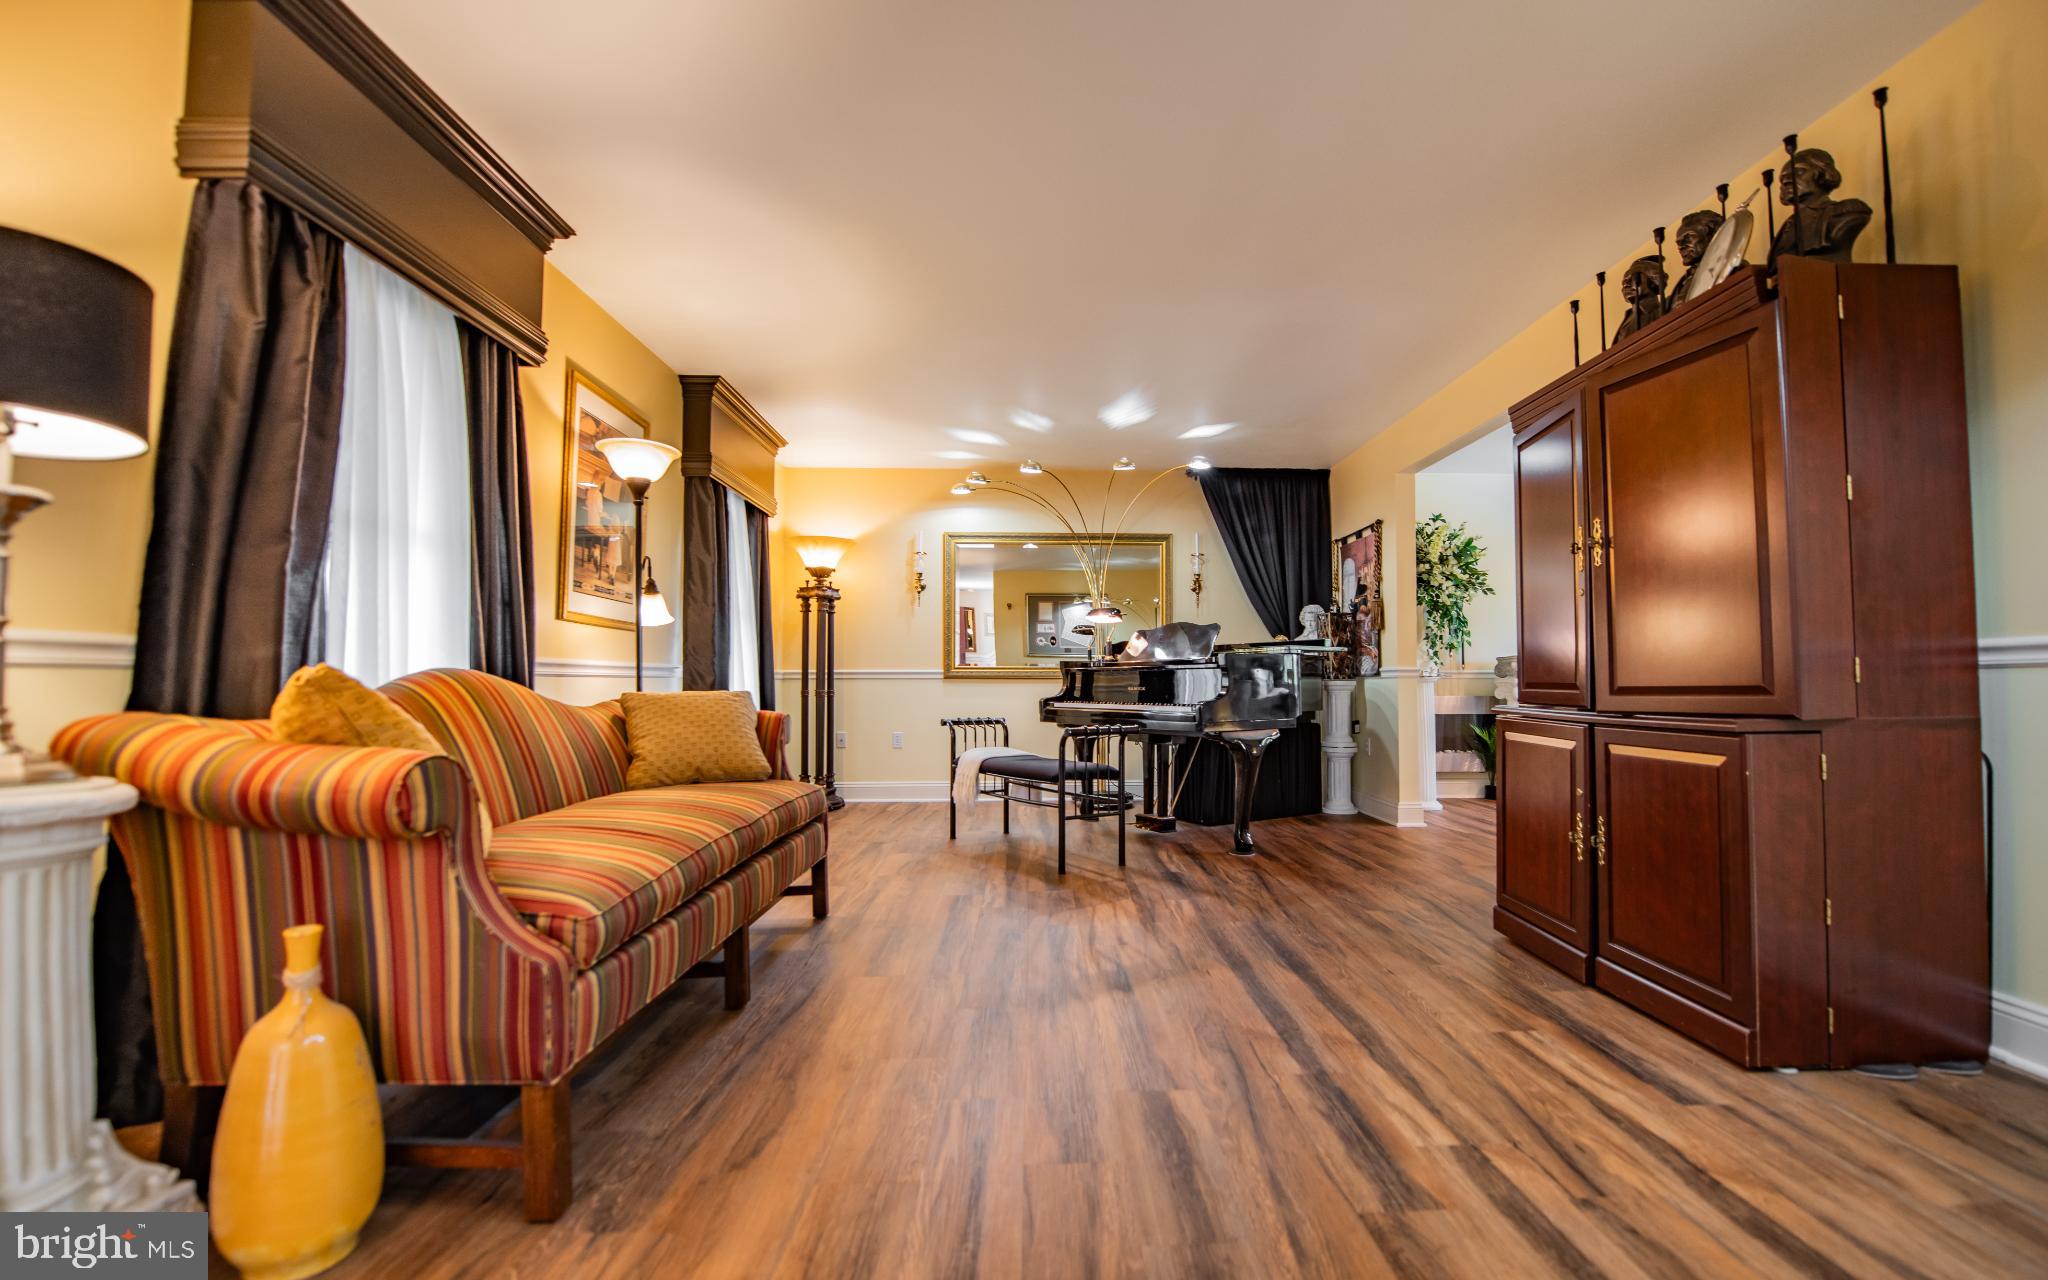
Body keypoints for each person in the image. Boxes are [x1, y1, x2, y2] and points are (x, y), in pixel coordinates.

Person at [1769, 147, 1871, 266]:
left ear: (1823, 173)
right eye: (1782, 179)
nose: (1786, 180)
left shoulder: (1844, 211)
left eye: (1799, 171)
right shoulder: (1787, 226)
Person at [1667, 208, 1725, 306]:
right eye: (1679, 242)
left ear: (1713, 236)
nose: (1681, 246)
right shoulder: (1682, 284)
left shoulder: (1731, 267)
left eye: (1689, 237)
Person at [1612, 255, 1669, 343]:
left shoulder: (1667, 308)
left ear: (1653, 282)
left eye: (1633, 278)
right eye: (1624, 282)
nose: (1626, 284)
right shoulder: (1625, 323)